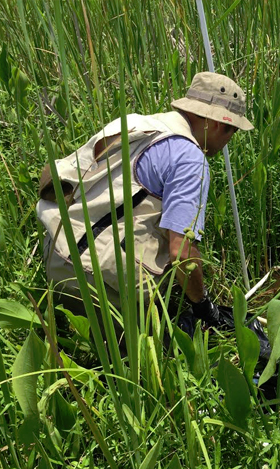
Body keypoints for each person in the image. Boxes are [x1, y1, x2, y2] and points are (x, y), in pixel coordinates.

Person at [37, 72, 253, 326]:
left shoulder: (136, 124)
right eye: (232, 132)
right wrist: (203, 305)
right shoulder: (191, 159)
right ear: (217, 124)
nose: (228, 142)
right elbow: (181, 253)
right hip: (97, 284)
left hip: (55, 256)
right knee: (148, 359)